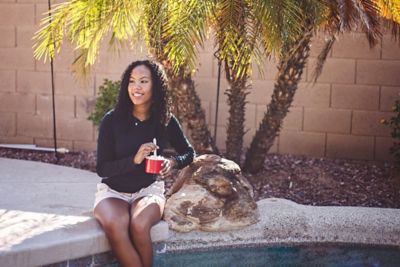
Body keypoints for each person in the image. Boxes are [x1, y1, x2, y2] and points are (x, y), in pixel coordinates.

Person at [94, 60, 195, 267]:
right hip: (113, 191)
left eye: (143, 81)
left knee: (139, 224)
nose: (136, 87)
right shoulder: (112, 120)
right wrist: (134, 160)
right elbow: (102, 168)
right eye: (131, 81)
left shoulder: (165, 120)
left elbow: (189, 152)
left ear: (155, 86)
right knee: (116, 224)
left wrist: (172, 162)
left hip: (148, 190)